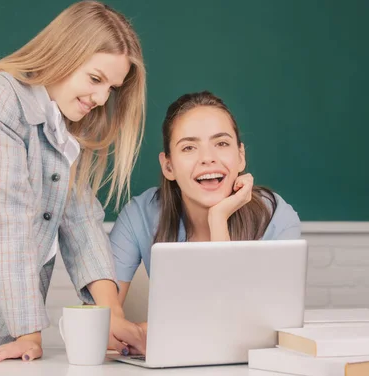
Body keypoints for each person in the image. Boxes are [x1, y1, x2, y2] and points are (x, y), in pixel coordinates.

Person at [0, 1, 146, 363]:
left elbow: (81, 221)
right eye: (96, 79)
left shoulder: (61, 124)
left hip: (10, 326)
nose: (101, 99)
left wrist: (111, 312)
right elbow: (2, 224)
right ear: (64, 54)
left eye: (111, 89)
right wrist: (29, 335)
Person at [110, 91, 301, 325]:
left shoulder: (276, 219)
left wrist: (218, 219)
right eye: (189, 148)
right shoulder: (139, 215)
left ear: (240, 157)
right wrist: (139, 335)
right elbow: (98, 319)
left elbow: (253, 326)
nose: (208, 158)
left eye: (221, 143)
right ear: (168, 166)